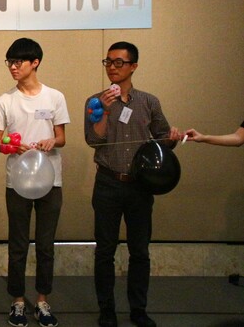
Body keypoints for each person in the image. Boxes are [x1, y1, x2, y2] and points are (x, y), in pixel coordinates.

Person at [84, 41, 181, 327]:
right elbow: (94, 140)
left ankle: (138, 309)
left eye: (118, 63)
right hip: (107, 183)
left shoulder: (149, 102)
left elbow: (164, 139)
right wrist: (102, 110)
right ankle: (107, 310)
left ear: (133, 66)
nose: (112, 68)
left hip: (140, 186)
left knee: (140, 250)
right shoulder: (95, 100)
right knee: (104, 250)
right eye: (108, 62)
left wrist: (173, 136)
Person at [0, 38, 69, 327]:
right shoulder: (5, 100)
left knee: (46, 243)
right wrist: (13, 147)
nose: (13, 67)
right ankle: (18, 302)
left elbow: (62, 138)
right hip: (17, 181)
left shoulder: (54, 97)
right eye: (9, 62)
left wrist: (51, 141)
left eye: (18, 61)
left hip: (51, 178)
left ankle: (43, 301)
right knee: (18, 243)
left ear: (34, 62)